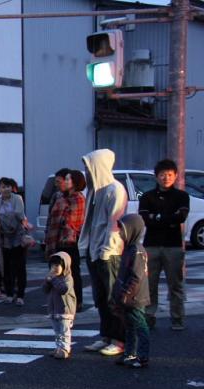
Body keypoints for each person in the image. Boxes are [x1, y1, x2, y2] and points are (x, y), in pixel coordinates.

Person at [78, 149, 127, 357]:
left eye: (89, 167)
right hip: (94, 251)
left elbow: (113, 224)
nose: (86, 172)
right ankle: (106, 336)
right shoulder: (94, 191)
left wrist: (106, 250)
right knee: (100, 297)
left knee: (112, 298)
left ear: (99, 166)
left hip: (109, 253)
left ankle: (119, 340)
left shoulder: (115, 190)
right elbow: (89, 223)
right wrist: (85, 248)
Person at [139, 159, 189, 331]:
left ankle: (177, 318)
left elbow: (181, 217)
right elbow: (145, 218)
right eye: (162, 175)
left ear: (175, 176)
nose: (166, 178)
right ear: (156, 177)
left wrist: (157, 217)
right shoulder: (147, 197)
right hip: (151, 245)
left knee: (175, 284)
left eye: (169, 174)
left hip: (173, 246)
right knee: (149, 284)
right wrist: (168, 218)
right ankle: (149, 317)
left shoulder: (182, 196)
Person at [111, 214, 150, 368]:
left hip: (135, 298)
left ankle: (142, 356)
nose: (120, 233)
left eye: (122, 230)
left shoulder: (137, 251)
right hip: (129, 297)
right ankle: (130, 353)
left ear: (132, 230)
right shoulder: (130, 249)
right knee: (130, 326)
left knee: (140, 326)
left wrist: (125, 293)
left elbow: (136, 277)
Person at [45, 169, 86, 310]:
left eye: (68, 180)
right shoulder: (59, 197)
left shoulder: (78, 198)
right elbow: (51, 220)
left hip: (70, 241)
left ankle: (77, 301)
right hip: (55, 240)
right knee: (56, 270)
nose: (64, 182)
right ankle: (58, 300)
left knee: (73, 272)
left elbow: (73, 223)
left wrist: (62, 223)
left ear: (75, 183)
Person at [0, 177, 27, 305]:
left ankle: (20, 295)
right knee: (6, 267)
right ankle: (9, 293)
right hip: (4, 238)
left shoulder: (17, 199)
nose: (6, 189)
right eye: (3, 187)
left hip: (18, 236)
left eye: (8, 186)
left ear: (12, 188)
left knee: (19, 267)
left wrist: (4, 219)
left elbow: (19, 214)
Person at [43, 252, 77, 360]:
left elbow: (64, 289)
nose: (54, 268)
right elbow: (44, 290)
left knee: (64, 331)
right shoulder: (53, 278)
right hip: (54, 310)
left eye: (57, 265)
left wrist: (53, 280)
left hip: (65, 310)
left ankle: (65, 349)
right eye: (52, 266)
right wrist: (47, 281)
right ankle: (58, 348)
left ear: (65, 266)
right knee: (57, 331)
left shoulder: (67, 278)